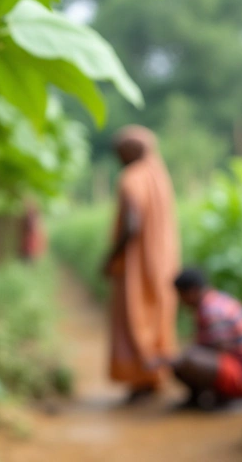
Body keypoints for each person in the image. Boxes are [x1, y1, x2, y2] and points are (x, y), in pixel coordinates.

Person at [102, 125, 180, 403]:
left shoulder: (131, 178)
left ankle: (140, 379)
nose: (118, 158)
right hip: (163, 262)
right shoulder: (160, 176)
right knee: (157, 314)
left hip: (135, 266)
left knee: (134, 316)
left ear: (131, 150)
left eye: (119, 152)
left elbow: (132, 225)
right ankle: (154, 376)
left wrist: (111, 257)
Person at [164, 268, 242, 409]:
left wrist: (180, 359)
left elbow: (223, 349)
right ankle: (199, 400)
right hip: (239, 368)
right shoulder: (212, 302)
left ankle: (230, 398)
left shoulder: (212, 310)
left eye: (181, 295)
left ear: (192, 291)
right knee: (183, 360)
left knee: (188, 360)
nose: (181, 301)